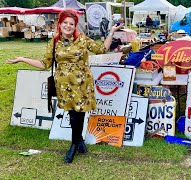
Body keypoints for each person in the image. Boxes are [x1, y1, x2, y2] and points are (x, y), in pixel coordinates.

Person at [6, 9, 124, 164]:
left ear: (75, 26)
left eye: (72, 24)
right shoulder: (54, 42)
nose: (68, 26)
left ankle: (74, 144)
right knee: (71, 113)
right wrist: (22, 59)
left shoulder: (82, 39)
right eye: (66, 23)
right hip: (64, 86)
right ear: (60, 24)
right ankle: (79, 141)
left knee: (79, 113)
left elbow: (101, 49)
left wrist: (111, 32)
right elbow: (44, 64)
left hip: (82, 84)